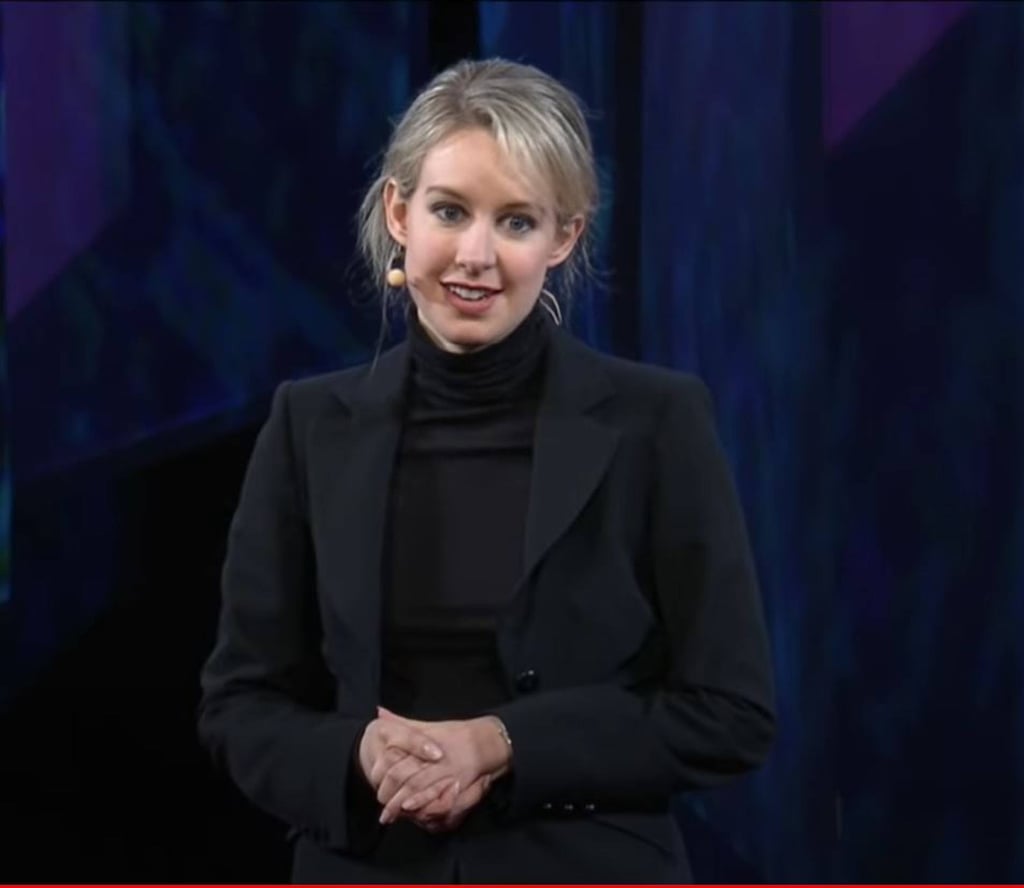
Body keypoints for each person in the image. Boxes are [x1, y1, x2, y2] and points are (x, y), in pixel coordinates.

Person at [197, 57, 776, 884]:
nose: (476, 254)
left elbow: (731, 714)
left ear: (564, 236)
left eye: (515, 222)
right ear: (400, 213)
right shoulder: (308, 425)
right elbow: (240, 706)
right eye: (450, 211)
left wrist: (504, 745)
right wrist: (357, 752)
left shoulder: (657, 421)